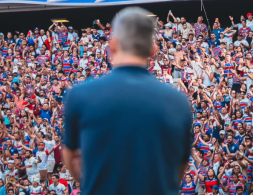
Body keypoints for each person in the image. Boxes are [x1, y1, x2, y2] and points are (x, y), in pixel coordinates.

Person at [64, 7, 192, 195]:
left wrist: (99, 183)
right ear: (152, 49)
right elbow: (179, 167)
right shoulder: (178, 101)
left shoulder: (79, 95)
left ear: (113, 45)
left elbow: (72, 158)